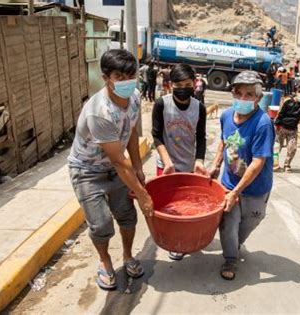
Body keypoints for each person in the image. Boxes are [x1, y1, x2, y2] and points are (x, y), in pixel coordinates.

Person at [67, 49, 154, 290]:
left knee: (127, 216)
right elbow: (117, 159)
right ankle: (105, 262)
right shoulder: (100, 112)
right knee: (102, 224)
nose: (126, 81)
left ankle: (127, 256)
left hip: (116, 169)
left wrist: (138, 166)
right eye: (119, 76)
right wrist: (144, 195)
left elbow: (132, 133)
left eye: (130, 75)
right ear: (105, 78)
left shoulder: (135, 97)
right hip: (87, 171)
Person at [209, 70, 275, 281]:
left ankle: (235, 244)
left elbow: (258, 162)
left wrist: (238, 192)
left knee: (248, 224)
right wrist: (216, 164)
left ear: (258, 97)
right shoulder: (227, 115)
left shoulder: (263, 123)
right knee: (228, 224)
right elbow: (224, 141)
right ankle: (230, 258)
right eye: (238, 93)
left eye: (249, 94)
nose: (243, 99)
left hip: (256, 188)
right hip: (229, 184)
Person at [151, 64, 208, 260]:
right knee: (168, 206)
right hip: (165, 165)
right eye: (178, 84)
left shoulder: (199, 108)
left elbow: (201, 137)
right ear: (170, 85)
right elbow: (156, 136)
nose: (183, 87)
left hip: (188, 166)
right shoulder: (161, 104)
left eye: (187, 84)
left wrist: (199, 160)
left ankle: (182, 240)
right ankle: (172, 240)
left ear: (194, 84)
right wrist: (167, 161)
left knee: (186, 206)